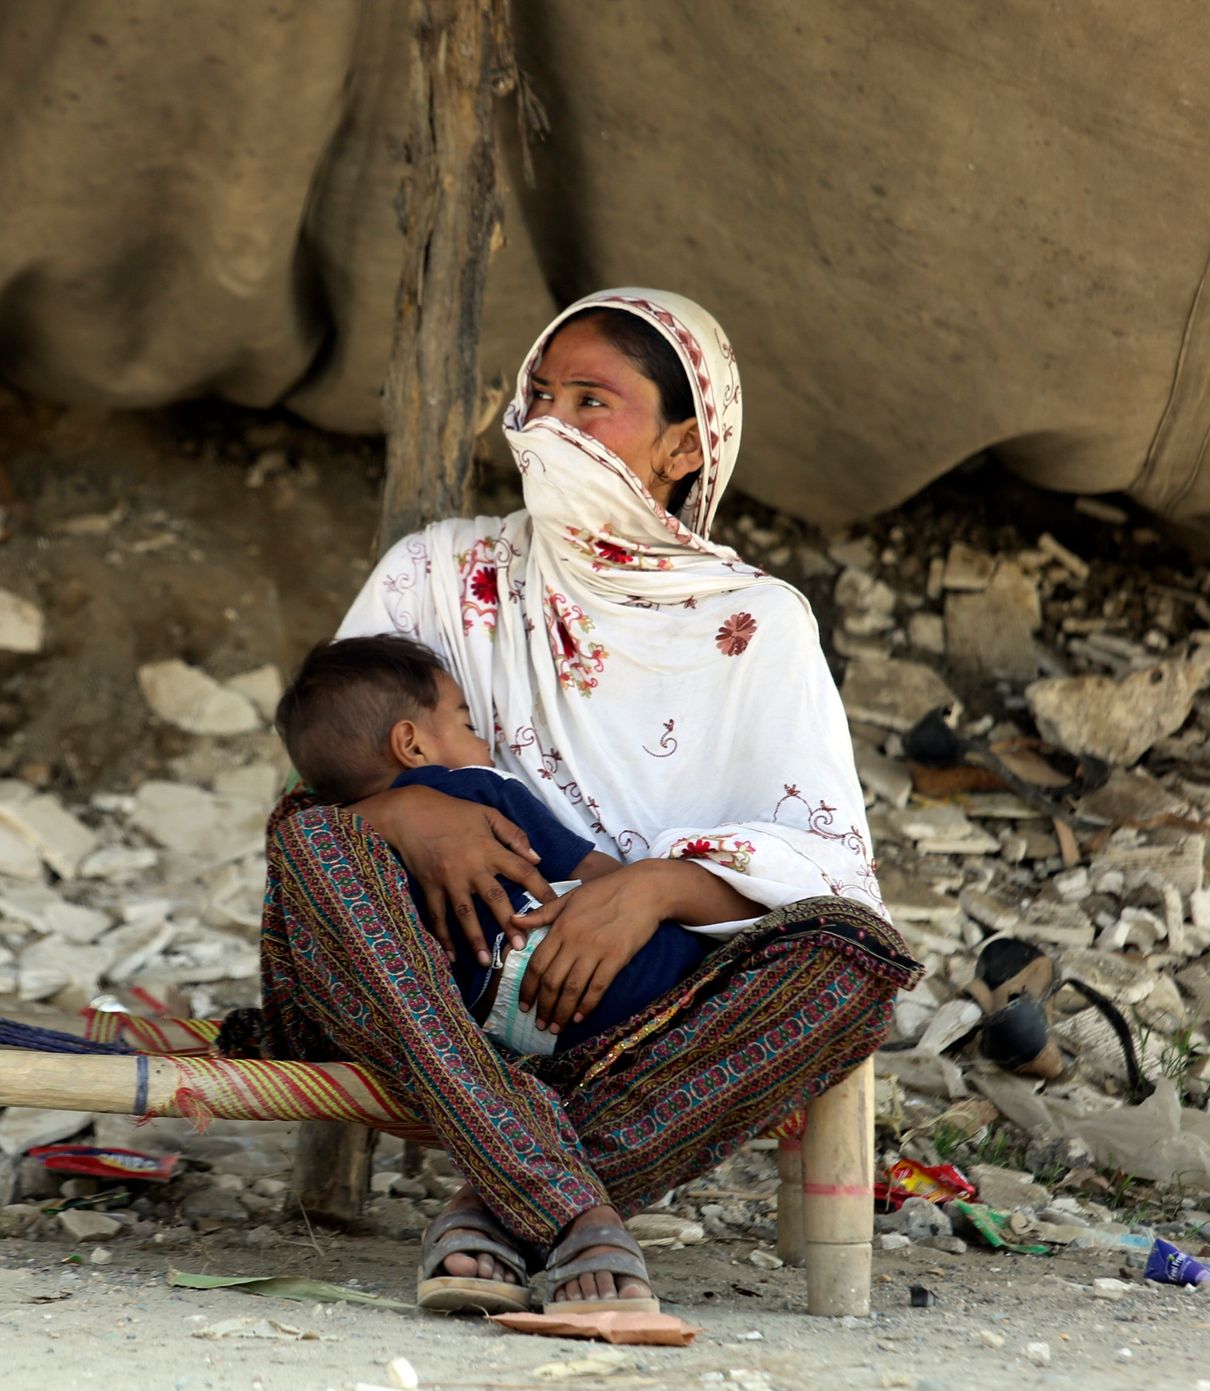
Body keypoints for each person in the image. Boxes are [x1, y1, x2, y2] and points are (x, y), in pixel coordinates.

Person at [224, 289, 920, 1317]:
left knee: (854, 959)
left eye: (593, 400)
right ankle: (562, 1203)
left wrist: (651, 891)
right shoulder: (437, 573)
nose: (550, 422)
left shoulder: (755, 623)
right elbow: (303, 810)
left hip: (631, 1016)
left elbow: (829, 864)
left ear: (681, 447)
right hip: (417, 985)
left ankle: (498, 1207)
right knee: (326, 848)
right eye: (538, 394)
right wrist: (400, 815)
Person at [272, 633, 716, 1055]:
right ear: (411, 744)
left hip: (512, 1029)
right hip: (611, 978)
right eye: (467, 724)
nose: (486, 742)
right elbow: (594, 872)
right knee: (709, 948)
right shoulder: (480, 790)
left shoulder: (353, 857)